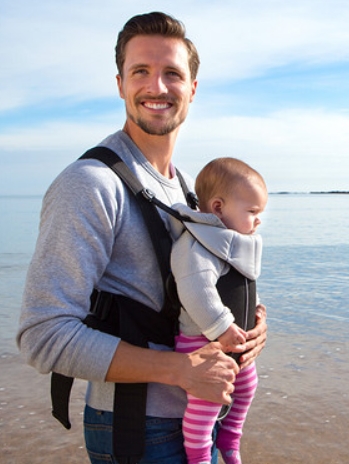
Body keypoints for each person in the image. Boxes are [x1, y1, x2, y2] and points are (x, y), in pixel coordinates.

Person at [16, 12, 267, 464]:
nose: (157, 87)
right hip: (139, 430)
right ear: (119, 84)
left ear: (192, 89)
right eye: (141, 72)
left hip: (201, 414)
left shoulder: (193, 190)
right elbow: (42, 334)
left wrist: (251, 327)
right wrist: (181, 370)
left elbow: (201, 286)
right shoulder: (90, 184)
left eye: (172, 73)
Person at [168, 157, 267, 464]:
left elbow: (240, 285)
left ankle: (229, 438)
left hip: (234, 343)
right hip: (203, 344)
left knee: (248, 385)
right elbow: (195, 288)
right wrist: (222, 326)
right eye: (251, 212)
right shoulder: (197, 244)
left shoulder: (227, 242)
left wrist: (258, 313)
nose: (258, 220)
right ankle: (198, 456)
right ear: (219, 207)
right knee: (207, 402)